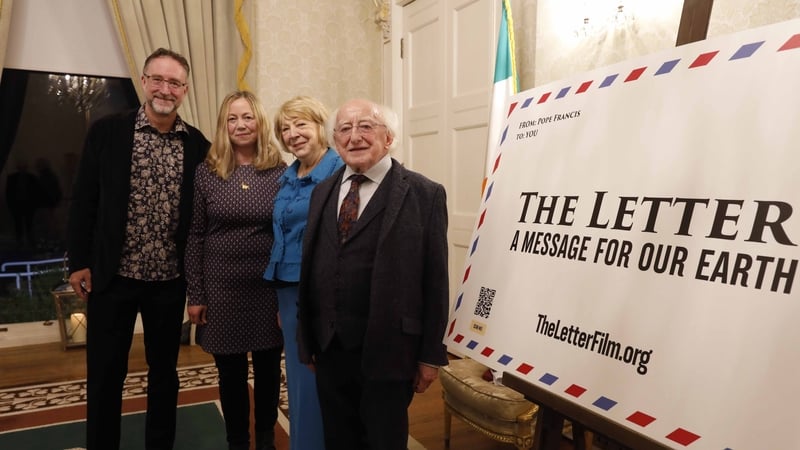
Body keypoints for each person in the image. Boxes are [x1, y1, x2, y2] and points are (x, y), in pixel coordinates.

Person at [66, 48, 210, 450]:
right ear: (144, 82)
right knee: (105, 373)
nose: (165, 89)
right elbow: (84, 199)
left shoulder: (199, 145)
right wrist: (78, 262)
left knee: (164, 373)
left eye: (175, 83)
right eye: (158, 79)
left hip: (169, 281)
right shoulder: (108, 132)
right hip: (112, 277)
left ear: (184, 90)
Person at [296, 98, 450, 450]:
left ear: (389, 137)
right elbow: (313, 268)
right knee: (338, 439)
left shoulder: (425, 194)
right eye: (345, 129)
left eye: (366, 126)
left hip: (391, 351)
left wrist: (430, 354)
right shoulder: (322, 192)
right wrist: (307, 339)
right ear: (335, 141)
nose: (354, 137)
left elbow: (436, 281)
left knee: (384, 441)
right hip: (330, 348)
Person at [185, 91, 286, 450]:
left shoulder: (280, 171)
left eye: (247, 117)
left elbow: (288, 233)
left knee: (269, 371)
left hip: (268, 290)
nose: (240, 125)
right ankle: (237, 442)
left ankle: (266, 439)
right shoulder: (207, 172)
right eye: (232, 118)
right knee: (230, 375)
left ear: (259, 122)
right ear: (223, 126)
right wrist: (196, 294)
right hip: (221, 291)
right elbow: (195, 235)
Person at [263, 95, 343, 450]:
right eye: (285, 128)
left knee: (322, 381)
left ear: (320, 126)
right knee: (298, 382)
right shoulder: (289, 175)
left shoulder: (339, 172)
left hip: (321, 292)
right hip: (288, 290)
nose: (292, 133)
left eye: (301, 124)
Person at [5, 160, 42, 248]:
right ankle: (21, 240)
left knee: (28, 223)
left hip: (27, 204)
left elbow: (36, 192)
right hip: (18, 204)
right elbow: (9, 193)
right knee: (20, 223)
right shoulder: (13, 178)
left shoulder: (31, 178)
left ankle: (27, 240)